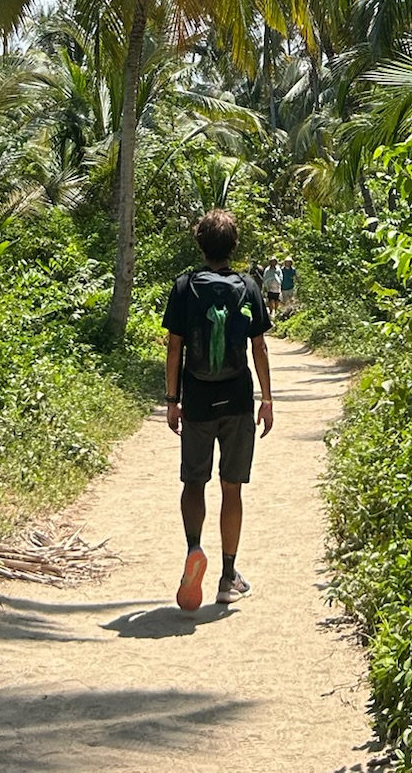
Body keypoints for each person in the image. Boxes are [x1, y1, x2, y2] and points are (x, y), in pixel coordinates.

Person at [163, 208, 274, 611]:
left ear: (200, 244)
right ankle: (228, 576)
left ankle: (194, 548)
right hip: (237, 401)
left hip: (197, 399)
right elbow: (259, 347)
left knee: (194, 483)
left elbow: (174, 347)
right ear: (233, 246)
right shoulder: (248, 287)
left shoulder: (184, 286)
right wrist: (267, 400)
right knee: (232, 487)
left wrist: (172, 400)